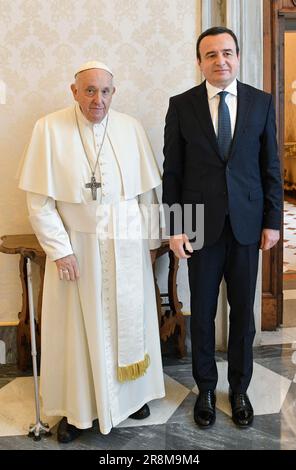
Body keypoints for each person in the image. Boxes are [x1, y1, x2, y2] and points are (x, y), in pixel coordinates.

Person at [18, 61, 165, 442]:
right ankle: (75, 410)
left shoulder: (130, 128)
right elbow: (39, 201)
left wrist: (149, 244)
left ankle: (132, 398)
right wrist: (60, 250)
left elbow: (146, 195)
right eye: (89, 90)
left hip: (126, 245)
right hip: (76, 249)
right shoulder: (49, 128)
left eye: (105, 91)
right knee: (74, 331)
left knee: (130, 321)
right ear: (74, 91)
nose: (97, 99)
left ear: (114, 93)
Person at [162, 27, 282, 428]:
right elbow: (173, 174)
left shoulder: (261, 103)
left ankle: (240, 388)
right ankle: (207, 391)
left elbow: (271, 168)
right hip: (199, 227)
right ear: (199, 61)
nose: (220, 60)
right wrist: (175, 228)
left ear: (238, 55)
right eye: (211, 54)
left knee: (243, 313)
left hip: (248, 226)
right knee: (203, 312)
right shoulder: (181, 105)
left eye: (227, 52)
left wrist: (272, 220)